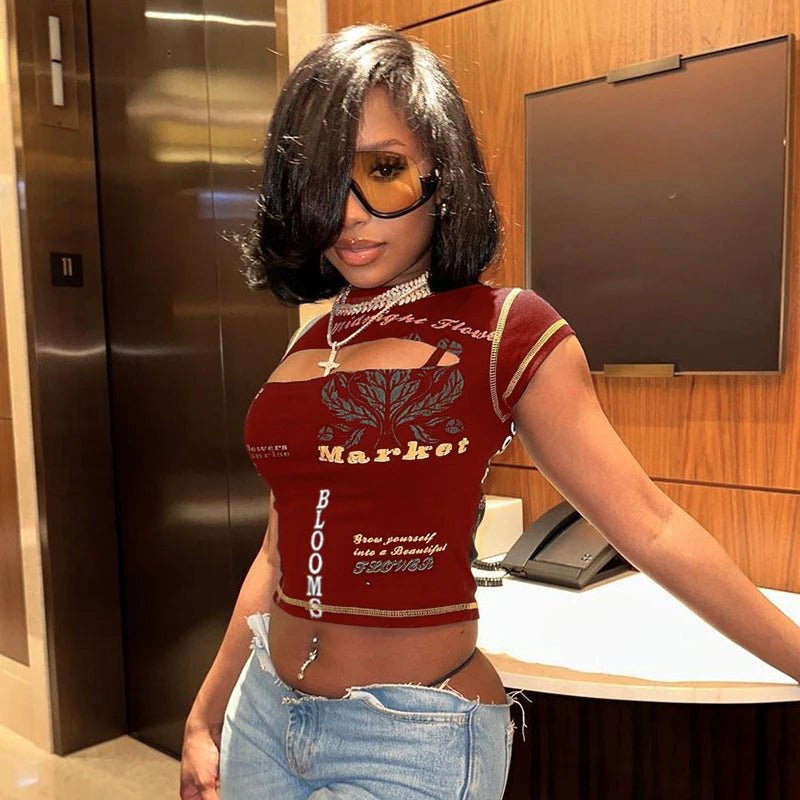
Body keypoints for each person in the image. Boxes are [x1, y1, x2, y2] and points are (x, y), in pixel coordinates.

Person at [179, 23, 800, 800]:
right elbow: (278, 555)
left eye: (383, 170)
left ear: (441, 170)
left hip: (406, 738)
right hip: (265, 716)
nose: (349, 214)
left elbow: (650, 526)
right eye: (322, 181)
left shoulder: (506, 329)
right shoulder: (313, 340)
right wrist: (205, 715)